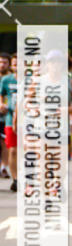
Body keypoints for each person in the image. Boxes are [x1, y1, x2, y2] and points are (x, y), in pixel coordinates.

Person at [0, 53, 18, 190]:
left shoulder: (32, 79)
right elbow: (1, 95)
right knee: (12, 150)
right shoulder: (6, 80)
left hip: (29, 120)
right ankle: (16, 179)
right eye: (15, 64)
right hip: (10, 119)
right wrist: (1, 104)